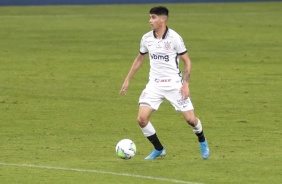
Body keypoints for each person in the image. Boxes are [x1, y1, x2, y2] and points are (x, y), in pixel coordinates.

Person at [119, 6, 210, 160]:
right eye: (150, 17)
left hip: (175, 85)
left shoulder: (174, 38)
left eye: (153, 17)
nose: (150, 21)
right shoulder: (146, 38)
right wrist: (127, 79)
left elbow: (187, 62)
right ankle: (159, 149)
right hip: (154, 85)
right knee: (141, 119)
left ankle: (202, 139)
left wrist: (185, 84)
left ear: (163, 19)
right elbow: (140, 58)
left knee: (190, 120)